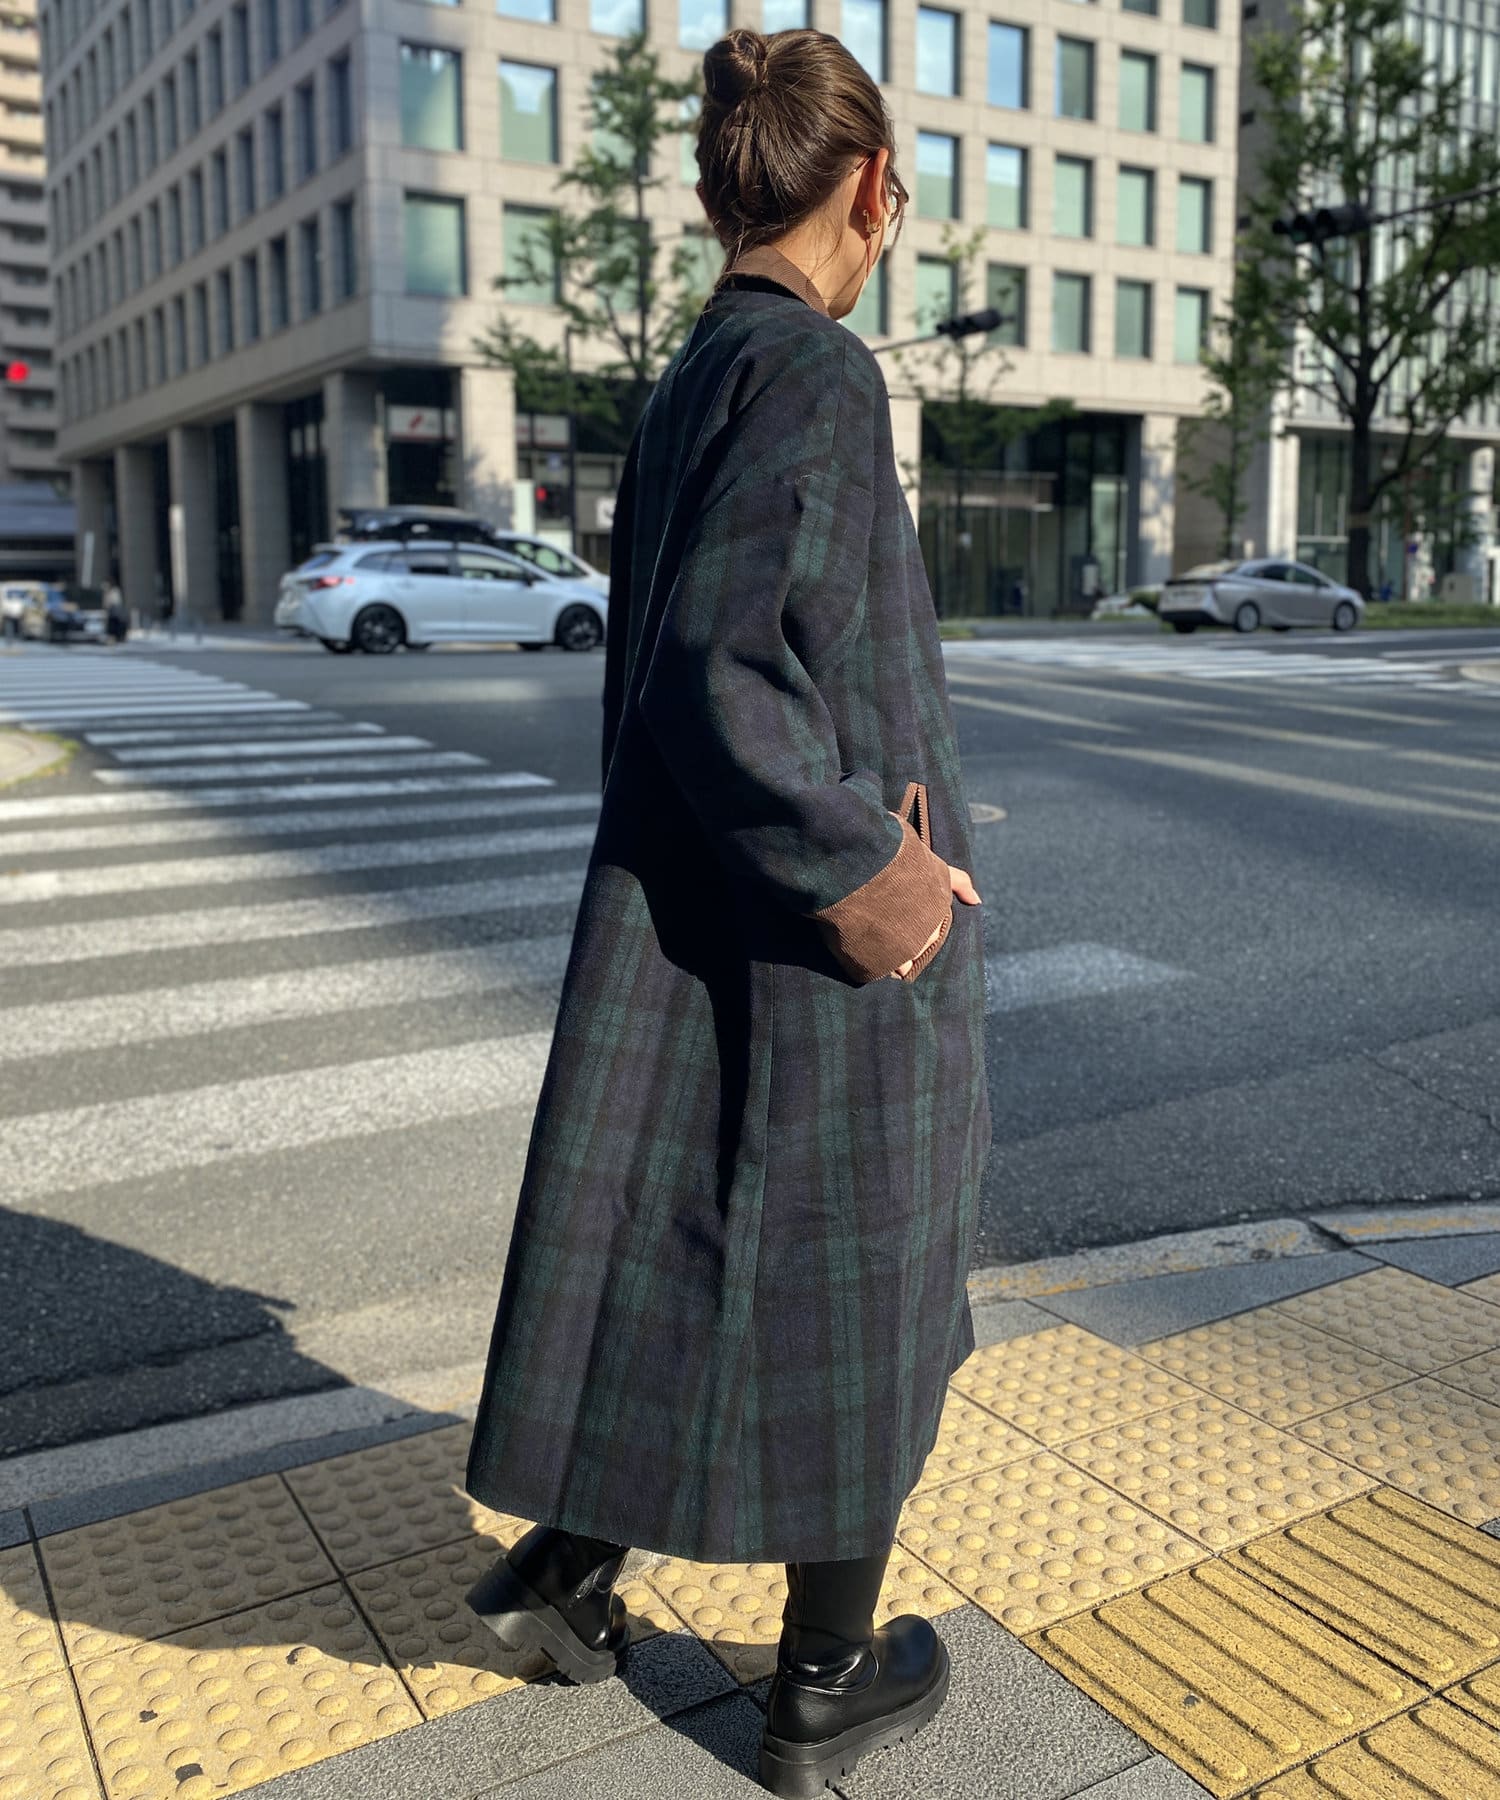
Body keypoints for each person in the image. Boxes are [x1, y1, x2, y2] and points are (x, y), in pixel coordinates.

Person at [463, 24, 993, 1796]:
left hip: (703, 903)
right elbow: (721, 670)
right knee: (865, 1274)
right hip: (817, 925)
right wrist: (877, 876)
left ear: (718, 195)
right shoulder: (819, 370)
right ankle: (822, 1684)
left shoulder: (701, 369)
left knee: (697, 1252)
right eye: (896, 194)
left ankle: (564, 1571)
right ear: (869, 187)